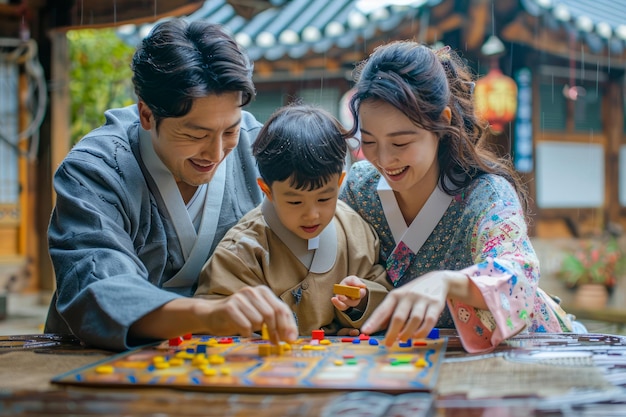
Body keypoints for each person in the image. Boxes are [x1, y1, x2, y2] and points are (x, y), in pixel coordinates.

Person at [44, 18, 298, 351]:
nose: (217, 152)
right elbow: (97, 286)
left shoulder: (262, 148)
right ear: (147, 114)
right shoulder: (95, 169)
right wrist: (208, 313)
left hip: (229, 358)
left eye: (230, 130)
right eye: (195, 134)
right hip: (99, 360)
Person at [339, 41, 573, 353]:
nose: (383, 159)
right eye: (369, 141)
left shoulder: (485, 195)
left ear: (443, 120)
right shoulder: (358, 188)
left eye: (400, 142)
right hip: (408, 357)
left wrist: (447, 282)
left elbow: (519, 278)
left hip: (521, 351)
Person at [195, 103, 391, 336]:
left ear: (339, 183)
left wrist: (361, 302)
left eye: (324, 198)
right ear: (266, 190)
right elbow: (212, 316)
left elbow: (383, 292)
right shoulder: (242, 249)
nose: (312, 214)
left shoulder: (355, 232)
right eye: (295, 202)